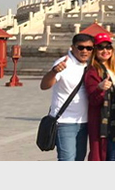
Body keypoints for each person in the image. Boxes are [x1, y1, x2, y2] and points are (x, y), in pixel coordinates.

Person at [40, 33, 93, 161]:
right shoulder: (64, 63)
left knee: (79, 158)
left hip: (84, 122)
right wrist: (54, 72)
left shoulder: (91, 65)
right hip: (65, 122)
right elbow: (44, 85)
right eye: (80, 47)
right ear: (72, 48)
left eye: (89, 48)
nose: (85, 51)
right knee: (67, 159)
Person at [84, 33, 115, 161]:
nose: (105, 51)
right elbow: (93, 100)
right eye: (101, 48)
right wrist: (100, 88)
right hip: (105, 123)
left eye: (108, 47)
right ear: (95, 50)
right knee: (109, 156)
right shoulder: (92, 71)